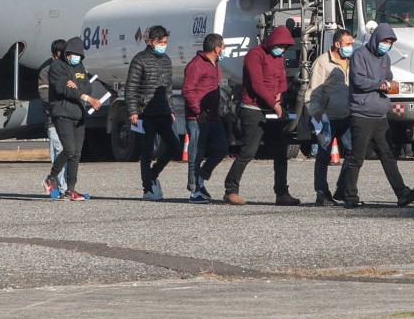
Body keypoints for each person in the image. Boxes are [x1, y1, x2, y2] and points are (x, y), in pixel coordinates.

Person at [341, 23, 414, 208]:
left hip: (380, 115)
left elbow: (388, 76)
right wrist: (380, 84)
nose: (386, 44)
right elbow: (358, 80)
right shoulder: (359, 55)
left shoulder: (385, 57)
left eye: (389, 41)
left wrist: (389, 83)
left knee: (388, 155)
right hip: (361, 114)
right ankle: (350, 196)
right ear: (376, 39)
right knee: (357, 157)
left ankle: (402, 192)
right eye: (385, 40)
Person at [224, 25, 300, 206]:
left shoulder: (278, 56)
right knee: (249, 151)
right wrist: (274, 104)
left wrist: (280, 93)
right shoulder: (254, 55)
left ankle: (282, 193)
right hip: (253, 108)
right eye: (279, 45)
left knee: (280, 151)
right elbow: (257, 85)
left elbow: (282, 79)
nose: (281, 49)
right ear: (272, 40)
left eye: (285, 46)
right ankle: (231, 189)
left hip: (272, 111)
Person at [126, 25, 181, 201]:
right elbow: (131, 87)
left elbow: (168, 88)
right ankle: (147, 188)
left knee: (174, 146)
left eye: (165, 42)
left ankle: (153, 173)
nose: (163, 45)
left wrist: (171, 108)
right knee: (147, 151)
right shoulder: (139, 60)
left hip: (163, 112)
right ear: (150, 42)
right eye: (160, 42)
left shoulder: (166, 60)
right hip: (144, 113)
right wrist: (133, 111)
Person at [44, 37, 100, 201]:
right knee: (68, 149)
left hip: (79, 114)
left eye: (78, 54)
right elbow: (63, 89)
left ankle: (71, 189)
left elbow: (87, 86)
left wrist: (77, 87)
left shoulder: (80, 66)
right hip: (63, 113)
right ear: (66, 53)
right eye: (71, 54)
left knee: (76, 153)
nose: (74, 57)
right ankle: (51, 177)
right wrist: (85, 97)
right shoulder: (56, 67)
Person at [305, 28, 354, 206]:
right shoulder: (322, 62)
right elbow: (314, 90)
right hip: (327, 117)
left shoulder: (351, 61)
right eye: (348, 44)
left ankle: (343, 188)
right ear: (337, 44)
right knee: (323, 155)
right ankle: (321, 192)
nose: (350, 47)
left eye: (352, 44)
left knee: (352, 152)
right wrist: (315, 111)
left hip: (347, 115)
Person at [181, 33, 229, 204]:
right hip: (198, 118)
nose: (224, 50)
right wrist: (198, 111)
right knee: (196, 153)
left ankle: (201, 178)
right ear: (216, 48)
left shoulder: (214, 63)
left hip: (213, 117)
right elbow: (188, 90)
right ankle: (194, 191)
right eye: (223, 47)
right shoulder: (196, 65)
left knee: (222, 148)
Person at [38, 39, 67, 198]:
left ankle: (59, 185)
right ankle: (61, 188)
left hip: (68, 119)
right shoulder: (46, 71)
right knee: (59, 151)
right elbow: (44, 95)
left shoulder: (69, 68)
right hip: (54, 119)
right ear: (57, 54)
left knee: (65, 153)